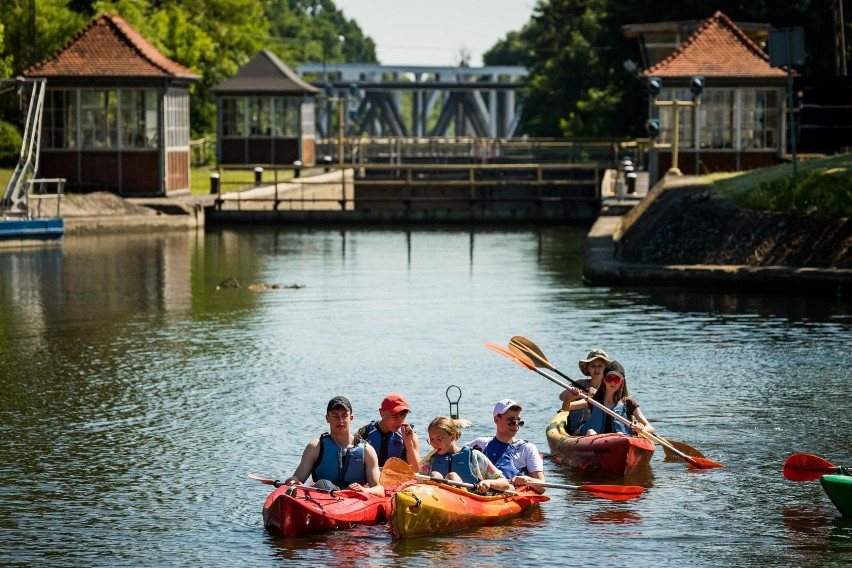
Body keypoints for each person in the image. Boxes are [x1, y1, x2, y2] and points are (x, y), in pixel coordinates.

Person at [283, 396, 384, 496]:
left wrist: (364, 490)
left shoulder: (367, 451)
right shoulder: (315, 447)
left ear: (351, 418)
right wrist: (293, 481)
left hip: (354, 501)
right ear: (327, 418)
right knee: (323, 484)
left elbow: (379, 490)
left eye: (344, 415)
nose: (340, 420)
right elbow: (298, 478)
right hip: (323, 498)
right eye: (335, 415)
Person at [467, 399, 546, 494]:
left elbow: (542, 488)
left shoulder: (527, 449)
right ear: (497, 420)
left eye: (519, 421)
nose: (516, 425)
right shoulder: (481, 443)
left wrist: (527, 479)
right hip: (481, 492)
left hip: (509, 493)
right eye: (511, 421)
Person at [420, 416, 511, 495]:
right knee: (434, 475)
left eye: (439, 439)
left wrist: (489, 483)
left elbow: (504, 483)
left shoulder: (475, 457)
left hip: (469, 502)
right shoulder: (430, 461)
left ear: (453, 437)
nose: (434, 444)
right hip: (440, 502)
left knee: (452, 477)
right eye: (431, 439)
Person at [563, 361, 655, 437]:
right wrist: (569, 398)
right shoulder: (594, 400)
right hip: (594, 439)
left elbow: (650, 428)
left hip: (621, 439)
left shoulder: (628, 402)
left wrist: (641, 429)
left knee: (619, 434)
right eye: (609, 379)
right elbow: (566, 408)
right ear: (603, 380)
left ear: (622, 381)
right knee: (591, 432)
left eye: (616, 379)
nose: (612, 382)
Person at [356, 393, 420, 469]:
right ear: (381, 413)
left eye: (403, 417)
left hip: (398, 479)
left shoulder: (411, 436)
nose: (400, 423)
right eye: (394, 417)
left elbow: (416, 470)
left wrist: (408, 444)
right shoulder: (363, 434)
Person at [558, 348, 610, 435]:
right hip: (578, 427)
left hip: (599, 426)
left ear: (605, 368)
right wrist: (581, 393)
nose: (596, 369)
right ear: (588, 369)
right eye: (593, 366)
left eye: (600, 366)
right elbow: (561, 397)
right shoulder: (580, 383)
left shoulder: (610, 387)